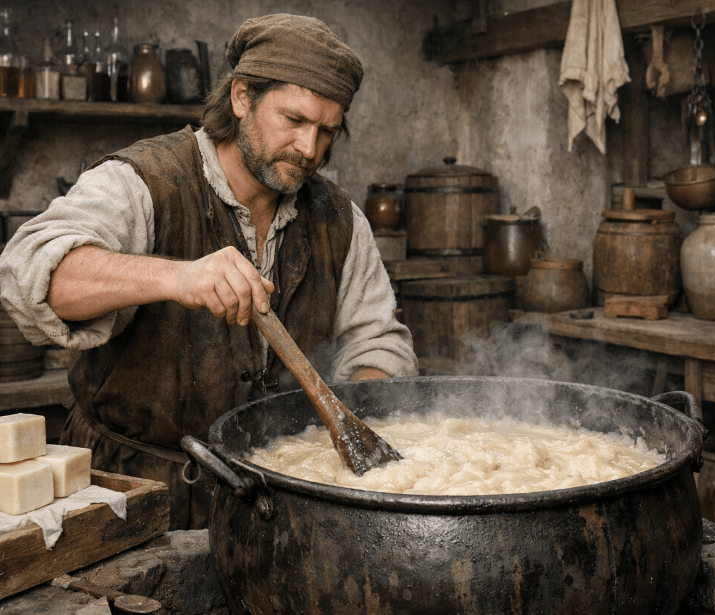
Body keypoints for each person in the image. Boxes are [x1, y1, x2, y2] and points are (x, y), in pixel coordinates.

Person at [0, 14, 417, 530]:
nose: (309, 149)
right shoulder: (143, 181)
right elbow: (31, 273)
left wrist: (354, 412)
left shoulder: (340, 218)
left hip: (280, 500)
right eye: (293, 120)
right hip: (133, 499)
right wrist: (177, 278)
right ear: (242, 97)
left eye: (326, 131)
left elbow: (377, 342)